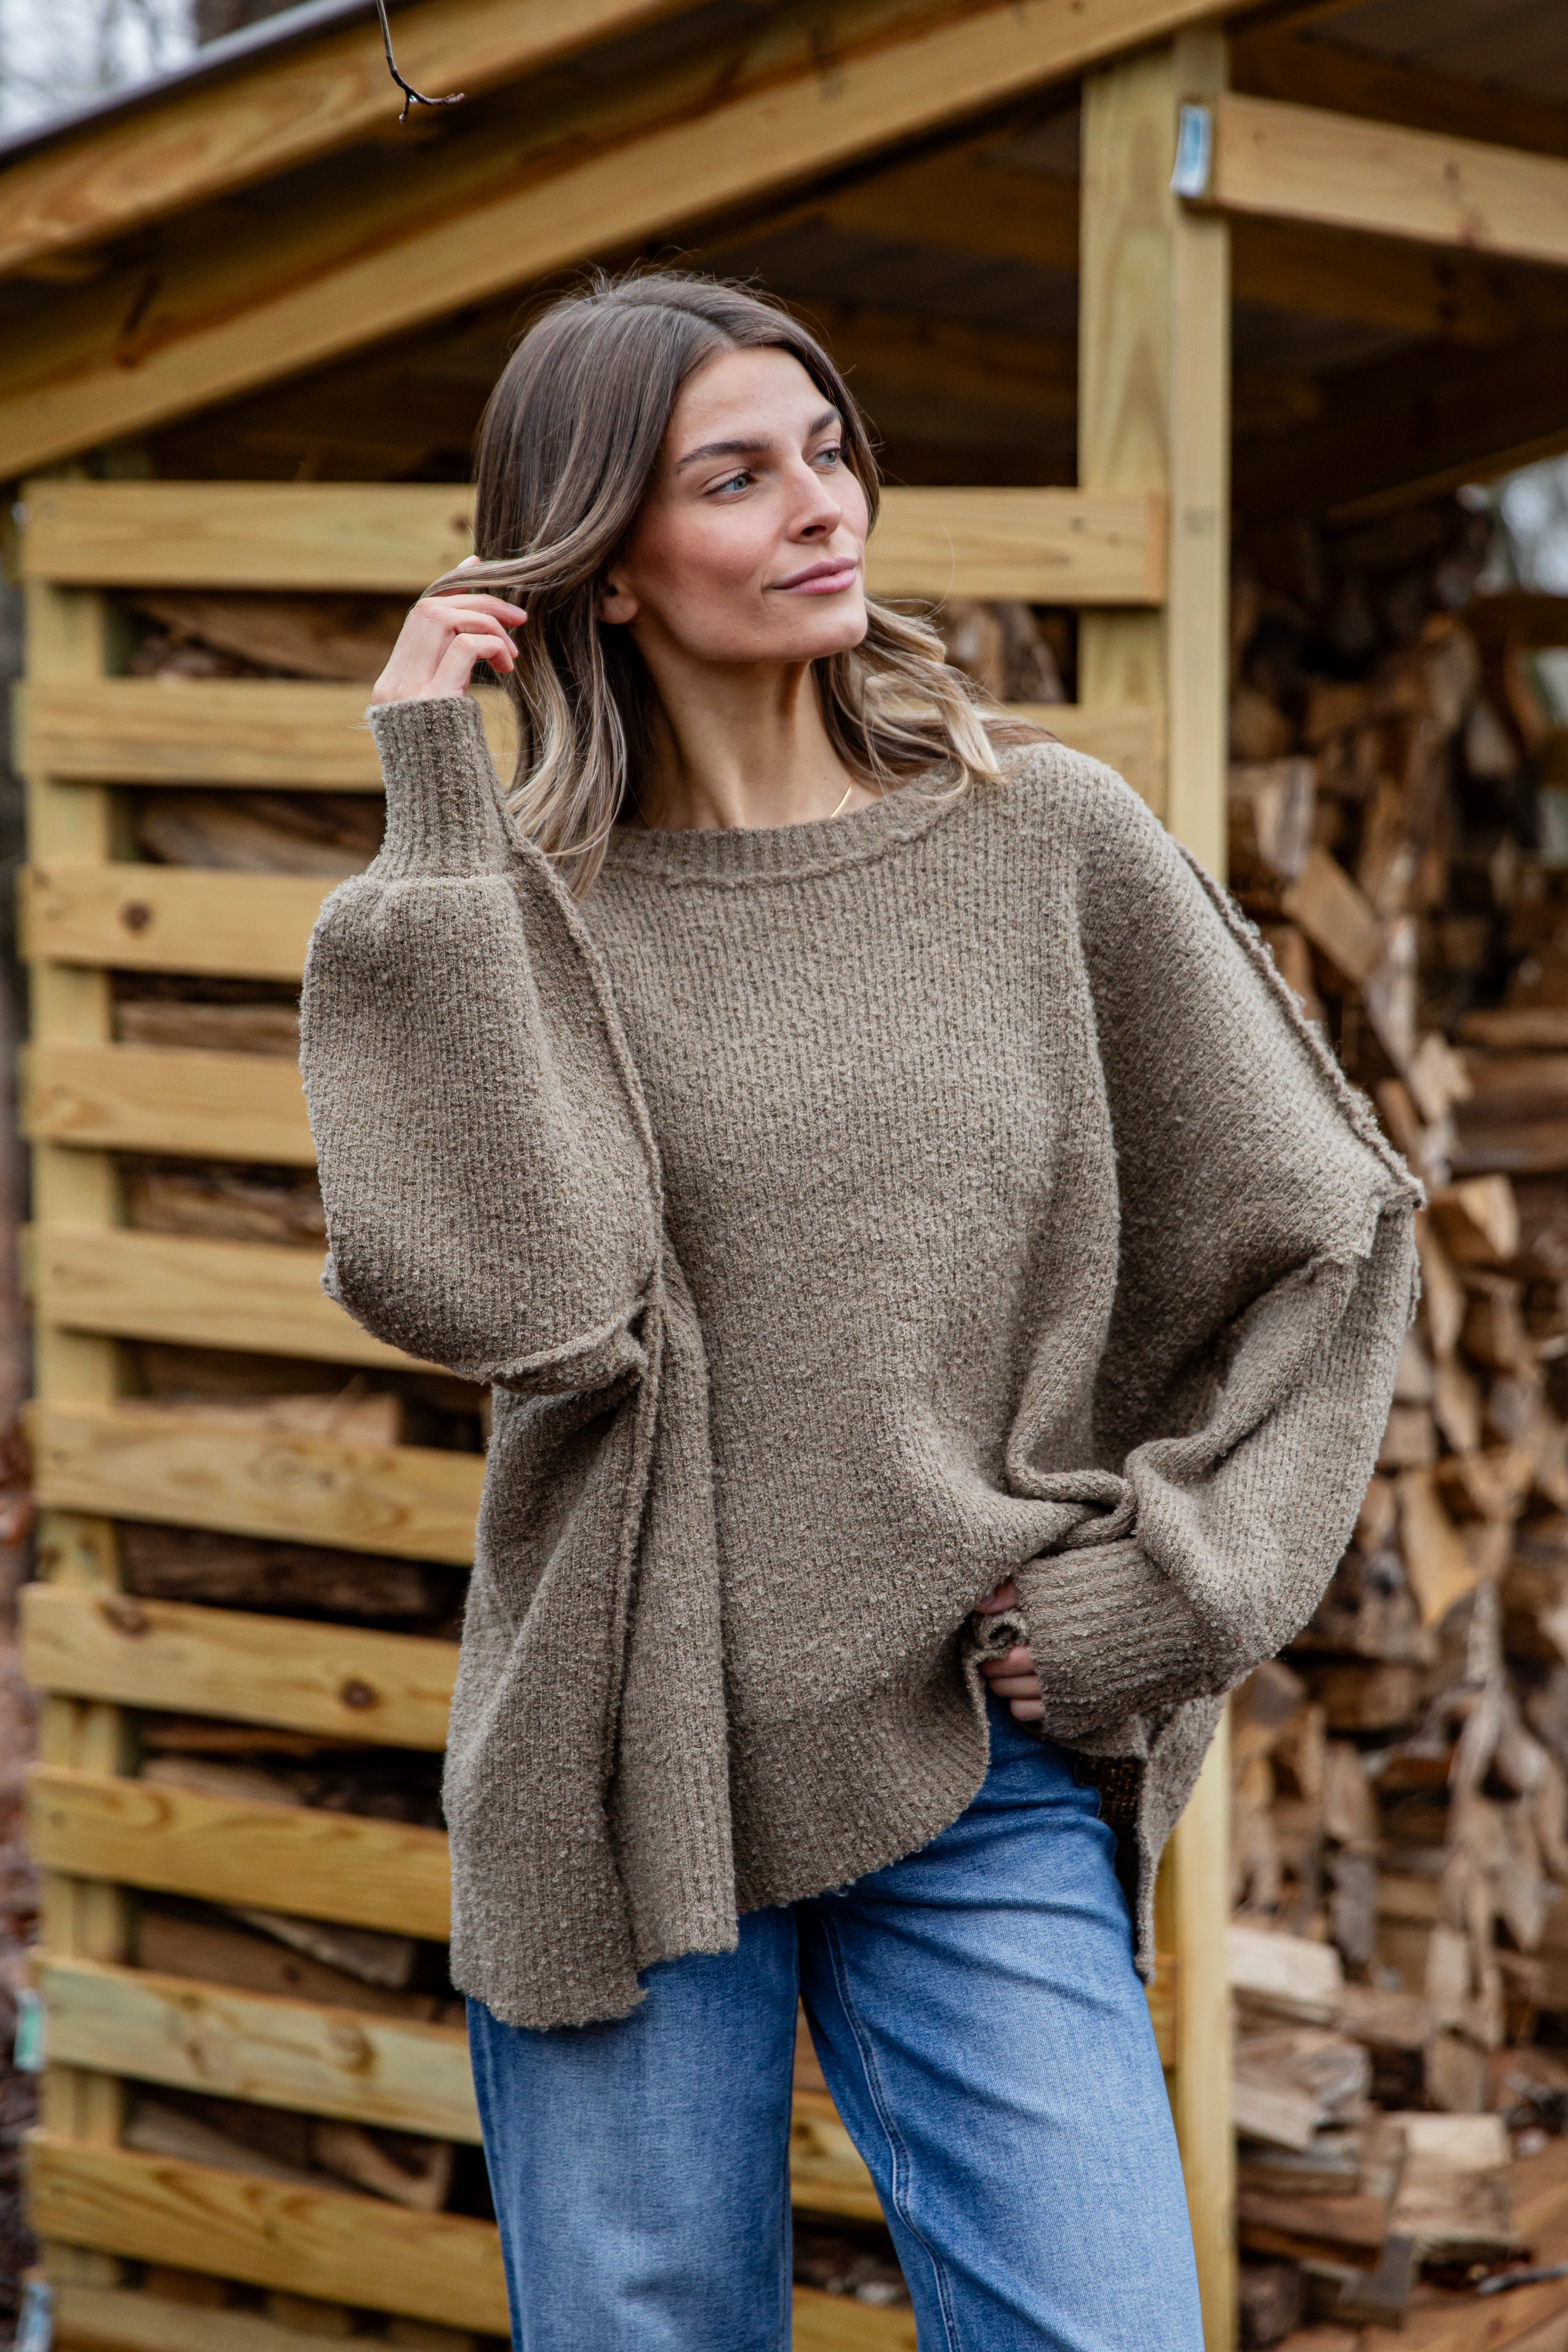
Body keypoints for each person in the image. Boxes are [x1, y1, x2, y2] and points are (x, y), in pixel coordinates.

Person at [300, 271, 1419, 2351]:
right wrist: (441, 814)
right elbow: (523, 1307)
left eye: (828, 453)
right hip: (617, 1763)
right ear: (602, 570)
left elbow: (1332, 1237)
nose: (822, 507)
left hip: (967, 1746)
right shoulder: (505, 923)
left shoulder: (1044, 845)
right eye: (736, 476)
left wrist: (1161, 1591)